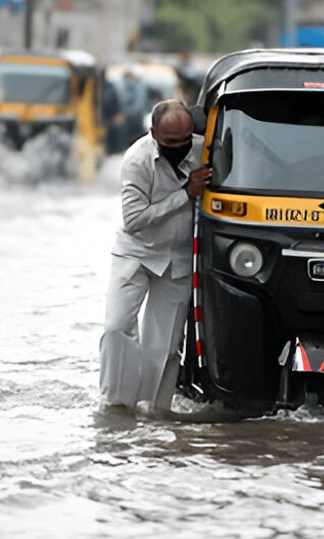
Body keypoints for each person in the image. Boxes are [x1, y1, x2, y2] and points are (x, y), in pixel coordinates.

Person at [100, 99, 210, 415]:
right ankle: (117, 405)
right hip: (136, 253)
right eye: (170, 142)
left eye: (184, 140)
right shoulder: (137, 159)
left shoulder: (204, 150)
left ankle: (154, 411)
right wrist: (185, 194)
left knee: (164, 346)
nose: (179, 147)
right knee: (116, 327)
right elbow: (133, 219)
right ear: (153, 133)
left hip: (178, 257)